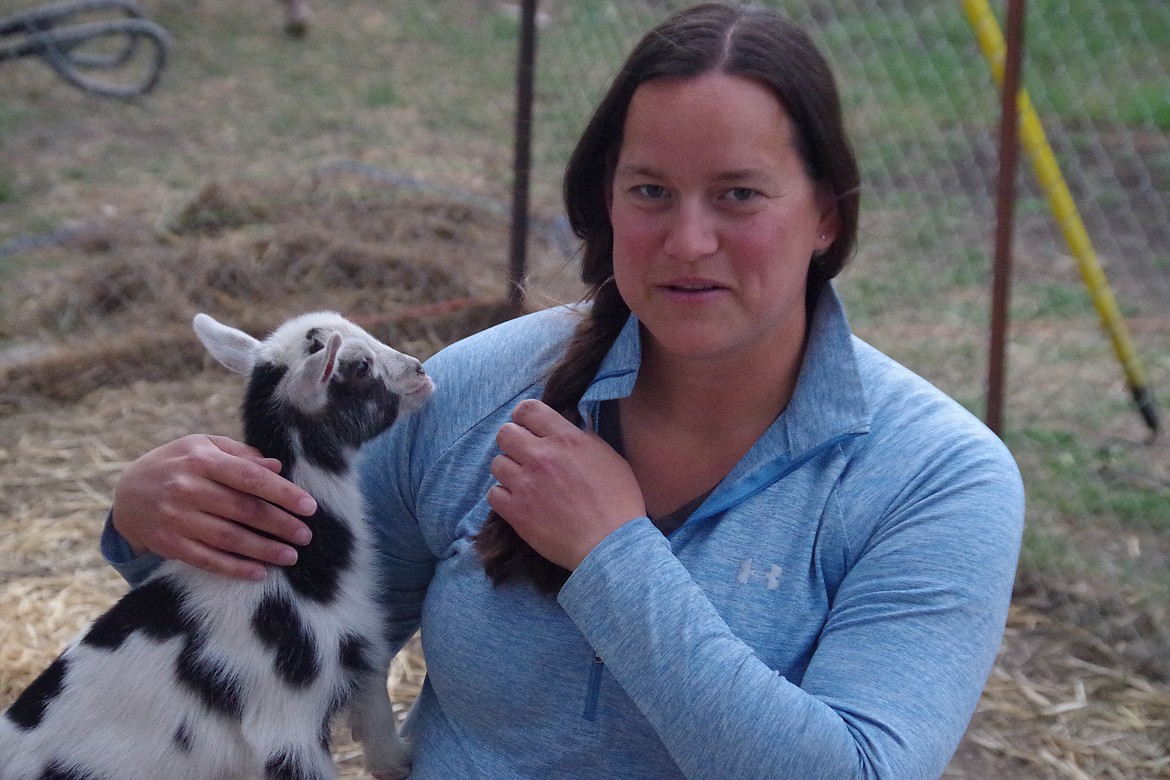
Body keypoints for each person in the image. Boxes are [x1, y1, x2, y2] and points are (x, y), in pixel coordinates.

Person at [104, 4, 1024, 778]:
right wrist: (155, 523)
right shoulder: (476, 389)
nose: (687, 240)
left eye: (739, 195)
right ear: (604, 200)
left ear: (827, 212)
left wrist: (612, 557)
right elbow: (305, 628)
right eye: (651, 190)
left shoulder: (936, 479)